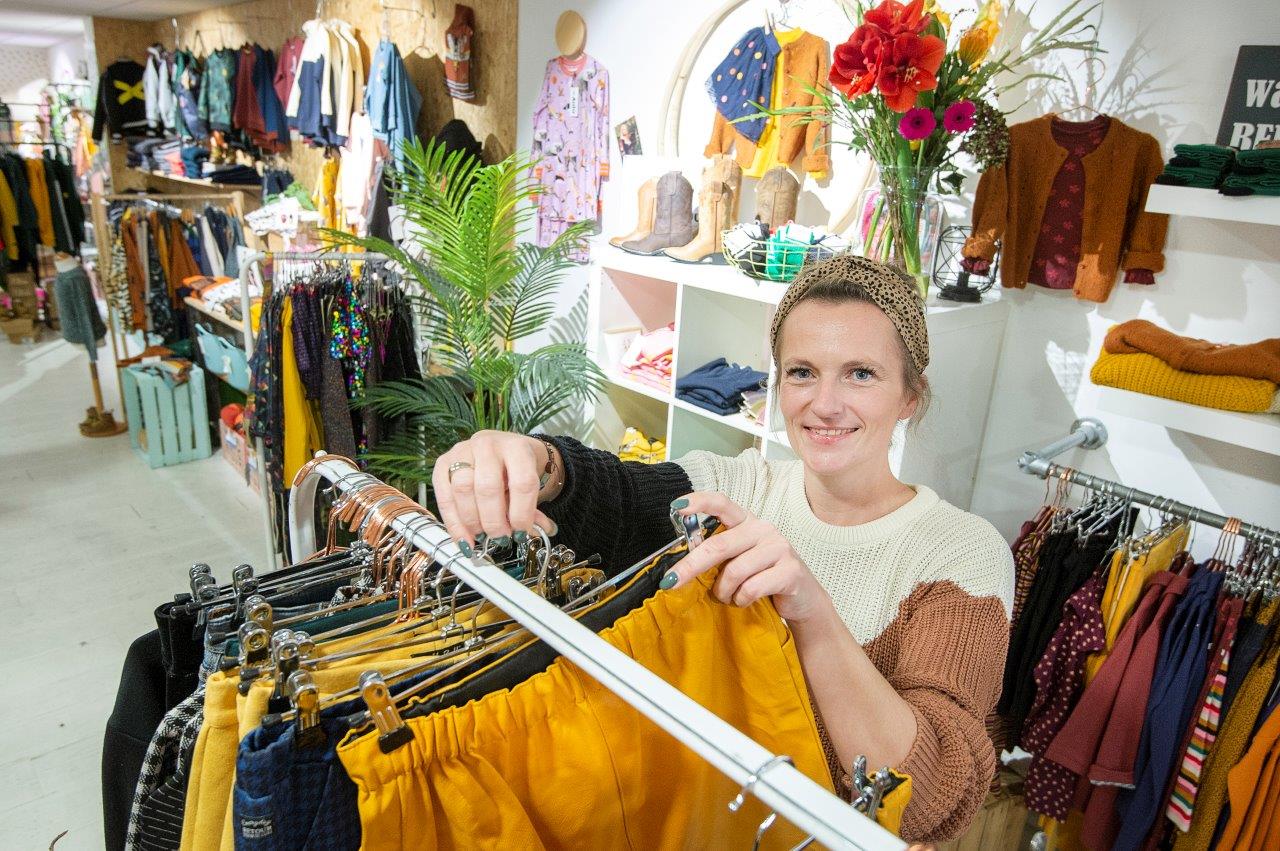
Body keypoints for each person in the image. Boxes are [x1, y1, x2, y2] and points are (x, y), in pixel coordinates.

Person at [431, 255, 1014, 843]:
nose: (826, 403)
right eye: (802, 372)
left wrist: (810, 612)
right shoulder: (740, 489)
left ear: (910, 395)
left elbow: (929, 798)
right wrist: (541, 464)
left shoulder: (960, 555)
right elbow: (619, 499)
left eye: (861, 374)